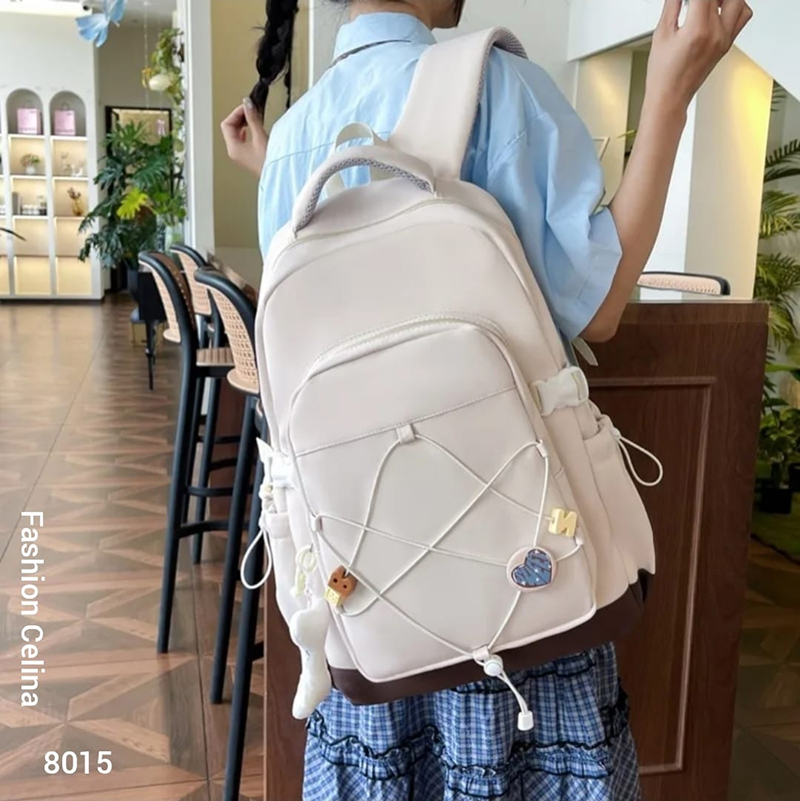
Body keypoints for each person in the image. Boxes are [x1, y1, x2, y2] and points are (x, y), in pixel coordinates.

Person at [222, 1, 752, 798]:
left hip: (369, 599)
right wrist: (671, 93)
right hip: (518, 576)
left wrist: (275, 166)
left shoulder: (294, 136)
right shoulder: (499, 87)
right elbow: (599, 309)